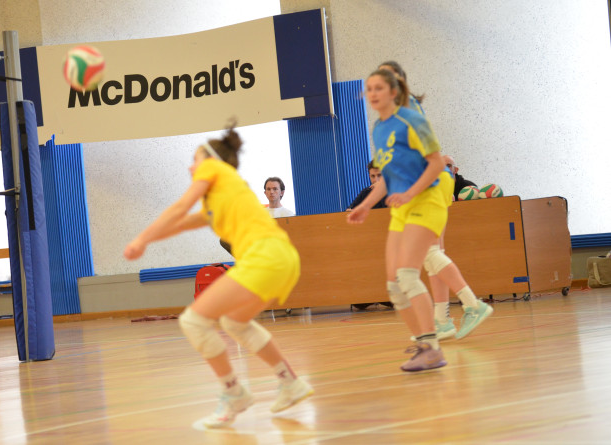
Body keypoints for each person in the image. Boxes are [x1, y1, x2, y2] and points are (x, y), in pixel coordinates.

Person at [124, 124, 312, 428]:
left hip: (265, 257)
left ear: (210, 160)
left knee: (193, 321)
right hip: (281, 258)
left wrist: (141, 239)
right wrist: (146, 240)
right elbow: (181, 222)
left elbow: (180, 207)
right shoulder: (222, 198)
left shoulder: (213, 168)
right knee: (234, 323)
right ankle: (290, 383)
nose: (191, 166)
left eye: (194, 159)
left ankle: (234, 393)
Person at [347, 69, 453, 371]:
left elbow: (437, 164)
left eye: (379, 88)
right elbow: (388, 175)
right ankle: (424, 344)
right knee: (394, 286)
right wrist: (366, 205)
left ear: (394, 91)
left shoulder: (413, 120)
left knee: (408, 275)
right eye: (369, 89)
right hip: (401, 208)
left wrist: (409, 193)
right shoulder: (379, 129)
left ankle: (434, 346)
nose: (372, 94)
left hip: (426, 201)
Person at [378, 61, 492, 340]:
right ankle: (442, 320)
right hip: (432, 182)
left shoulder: (406, 110)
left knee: (426, 255)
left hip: (428, 183)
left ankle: (471, 304)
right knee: (432, 254)